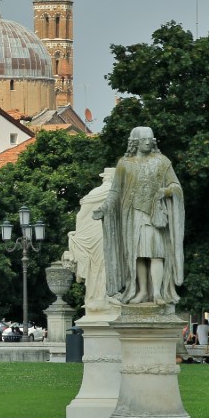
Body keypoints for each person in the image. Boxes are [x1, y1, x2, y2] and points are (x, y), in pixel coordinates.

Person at [94, 127, 184, 305]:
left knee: (156, 252)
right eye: (144, 140)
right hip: (132, 215)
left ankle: (157, 293)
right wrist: (104, 208)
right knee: (138, 255)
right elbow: (115, 191)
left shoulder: (162, 162)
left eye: (150, 139)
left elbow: (176, 185)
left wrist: (166, 191)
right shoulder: (124, 164)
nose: (148, 142)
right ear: (135, 142)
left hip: (154, 215)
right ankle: (142, 291)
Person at [64, 167, 116, 314]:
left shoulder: (93, 194)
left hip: (91, 237)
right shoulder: (115, 193)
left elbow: (80, 216)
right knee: (106, 265)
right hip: (105, 233)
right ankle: (104, 298)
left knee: (95, 268)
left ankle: (94, 298)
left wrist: (80, 233)